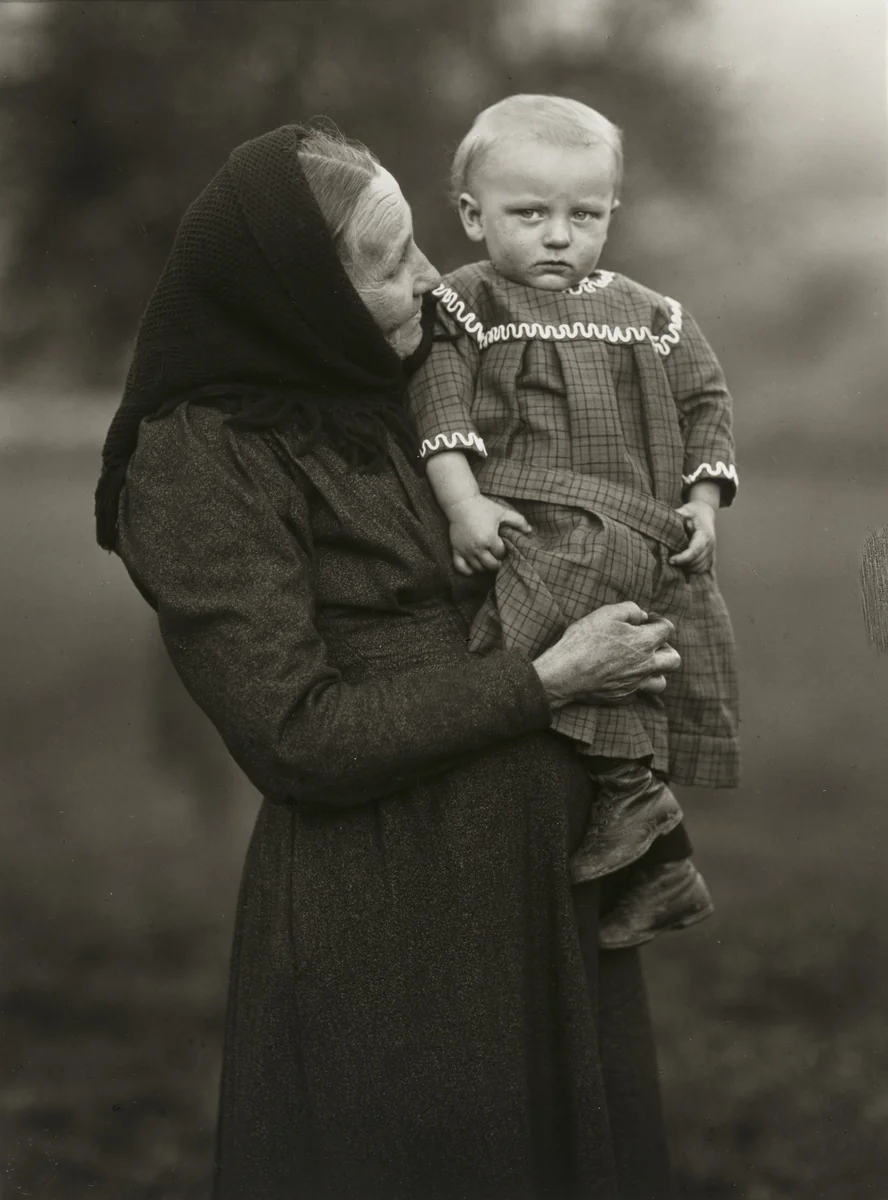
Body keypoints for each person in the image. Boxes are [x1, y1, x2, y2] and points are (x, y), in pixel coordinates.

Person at [96, 123, 683, 1200]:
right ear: (301, 297)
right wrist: (550, 680)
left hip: (538, 883)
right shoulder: (198, 460)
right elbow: (296, 736)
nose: (429, 278)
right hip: (396, 909)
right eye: (387, 264)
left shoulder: (401, 385)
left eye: (420, 244)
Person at [408, 94, 740, 948]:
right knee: (533, 660)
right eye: (530, 214)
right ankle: (652, 850)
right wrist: (464, 502)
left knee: (522, 657)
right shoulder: (462, 305)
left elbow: (706, 403)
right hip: (524, 514)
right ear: (474, 217)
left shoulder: (654, 317)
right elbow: (438, 408)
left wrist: (702, 502)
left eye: (583, 215)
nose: (558, 235)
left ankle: (633, 800)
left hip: (616, 528)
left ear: (611, 214)